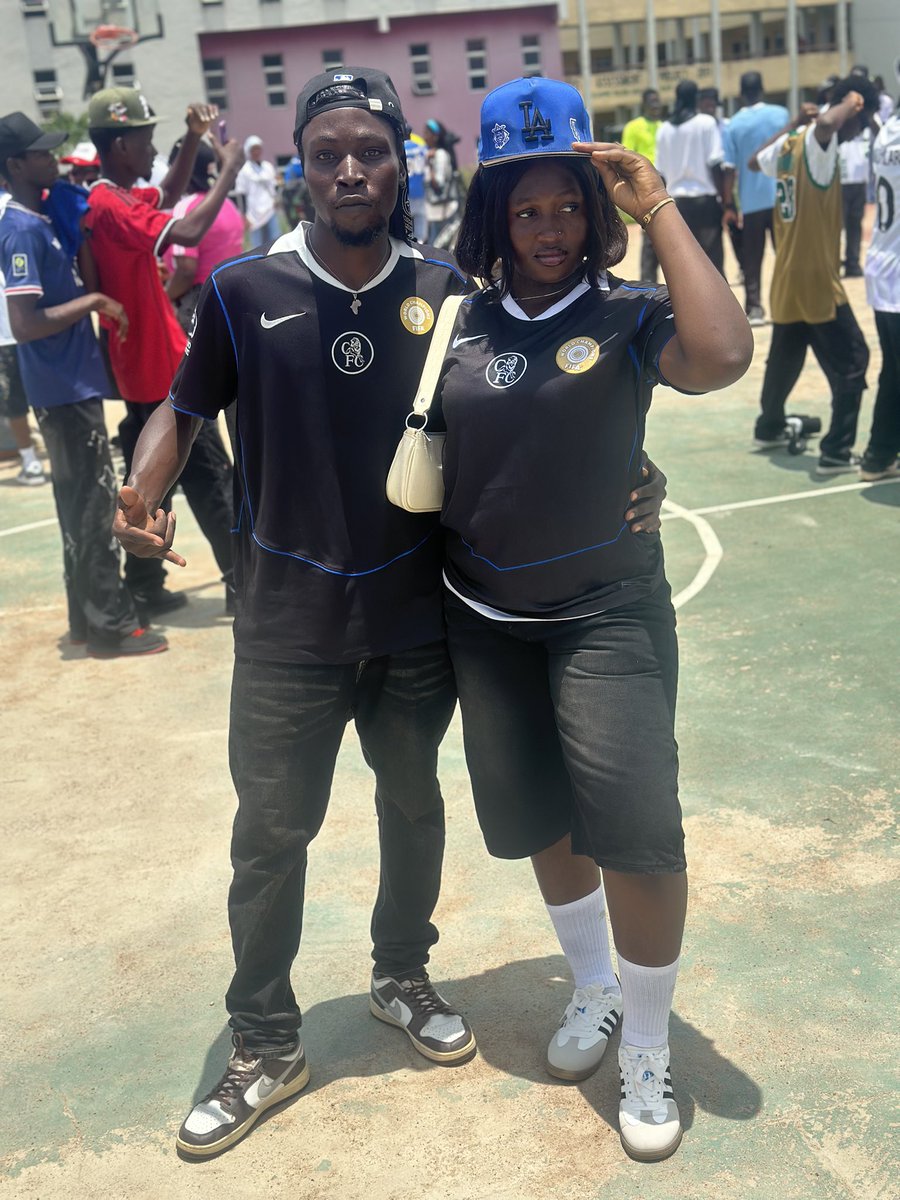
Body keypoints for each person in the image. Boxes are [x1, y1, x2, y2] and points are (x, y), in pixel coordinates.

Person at [111, 66, 668, 1159]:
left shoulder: (454, 289)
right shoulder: (241, 289)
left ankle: (400, 974)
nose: (350, 171)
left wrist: (638, 474)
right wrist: (144, 490)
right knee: (270, 836)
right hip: (283, 623)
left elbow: (541, 408)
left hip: (418, 613)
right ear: (304, 167)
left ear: (401, 158)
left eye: (371, 150)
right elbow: (179, 412)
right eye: (327, 154)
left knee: (413, 807)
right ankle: (265, 1038)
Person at [431, 75, 752, 1163]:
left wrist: (657, 204)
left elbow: (721, 356)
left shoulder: (626, 315)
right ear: (495, 220)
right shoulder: (454, 319)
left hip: (606, 610)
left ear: (595, 204)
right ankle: (595, 988)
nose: (550, 226)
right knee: (541, 822)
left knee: (638, 827)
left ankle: (649, 1048)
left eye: (569, 201)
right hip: (482, 613)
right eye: (525, 207)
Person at [0, 111, 166, 657]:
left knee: (79, 506)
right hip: (61, 387)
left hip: (67, 385)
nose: (54, 160)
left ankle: (86, 621)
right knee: (95, 508)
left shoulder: (37, 215)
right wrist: (95, 301)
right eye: (43, 154)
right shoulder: (21, 227)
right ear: (15, 165)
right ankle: (113, 628)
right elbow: (25, 323)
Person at [85, 86, 243, 619]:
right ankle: (241, 585)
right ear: (121, 144)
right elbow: (191, 223)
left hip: (146, 363)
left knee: (152, 480)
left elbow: (171, 199)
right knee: (211, 478)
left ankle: (146, 582)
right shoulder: (108, 203)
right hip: (155, 368)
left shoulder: (121, 196)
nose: (154, 154)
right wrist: (229, 170)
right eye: (147, 142)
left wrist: (195, 140)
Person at [749, 77, 879, 474]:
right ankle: (837, 451)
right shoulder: (820, 144)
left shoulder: (791, 142)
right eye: (862, 116)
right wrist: (850, 102)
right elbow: (826, 127)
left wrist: (790, 124)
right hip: (818, 277)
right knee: (854, 360)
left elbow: (755, 161)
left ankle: (769, 424)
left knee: (786, 356)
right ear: (852, 109)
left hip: (787, 275)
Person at [721, 72, 790, 325]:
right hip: (782, 197)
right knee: (785, 253)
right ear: (762, 89)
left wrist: (729, 203)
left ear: (741, 93)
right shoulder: (781, 115)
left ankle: (756, 308)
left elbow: (729, 168)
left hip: (751, 201)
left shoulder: (734, 124)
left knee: (752, 259)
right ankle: (789, 301)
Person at [162, 137, 244, 333]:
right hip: (235, 294)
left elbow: (186, 270)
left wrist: (164, 298)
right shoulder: (228, 205)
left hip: (199, 300)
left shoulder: (186, 208)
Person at [859, 103, 900, 479]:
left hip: (884, 264)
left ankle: (881, 453)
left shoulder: (887, 131)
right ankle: (878, 453)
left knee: (894, 367)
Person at [654, 80, 729, 274]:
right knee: (713, 264)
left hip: (676, 203)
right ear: (696, 98)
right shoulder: (706, 123)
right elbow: (715, 164)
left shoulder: (664, 130)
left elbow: (660, 172)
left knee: (684, 266)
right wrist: (725, 201)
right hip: (705, 202)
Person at [0, 183, 44, 486]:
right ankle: (30, 460)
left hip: (16, 321)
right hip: (16, 323)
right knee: (16, 397)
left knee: (18, 397)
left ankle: (31, 460)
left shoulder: (11, 208)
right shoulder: (16, 206)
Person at [621, 89, 663, 283]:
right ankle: (649, 283)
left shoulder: (665, 126)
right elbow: (626, 155)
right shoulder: (634, 127)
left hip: (666, 183)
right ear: (644, 104)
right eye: (652, 102)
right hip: (645, 185)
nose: (655, 105)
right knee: (650, 235)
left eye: (658, 102)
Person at [235, 135, 280, 244]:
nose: (256, 152)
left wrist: (276, 199)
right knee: (258, 245)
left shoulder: (267, 167)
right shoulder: (244, 170)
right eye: (253, 149)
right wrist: (244, 215)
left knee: (275, 242)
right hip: (253, 213)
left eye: (258, 148)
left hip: (269, 209)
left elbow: (274, 185)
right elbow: (241, 194)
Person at [423, 118, 458, 243]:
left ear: (435, 137)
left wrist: (430, 164)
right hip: (434, 213)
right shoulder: (430, 154)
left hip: (444, 212)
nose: (424, 136)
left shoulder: (440, 155)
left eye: (427, 133)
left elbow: (438, 183)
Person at [404, 125, 428, 241]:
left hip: (405, 193)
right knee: (420, 232)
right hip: (420, 192)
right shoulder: (421, 148)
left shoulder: (401, 148)